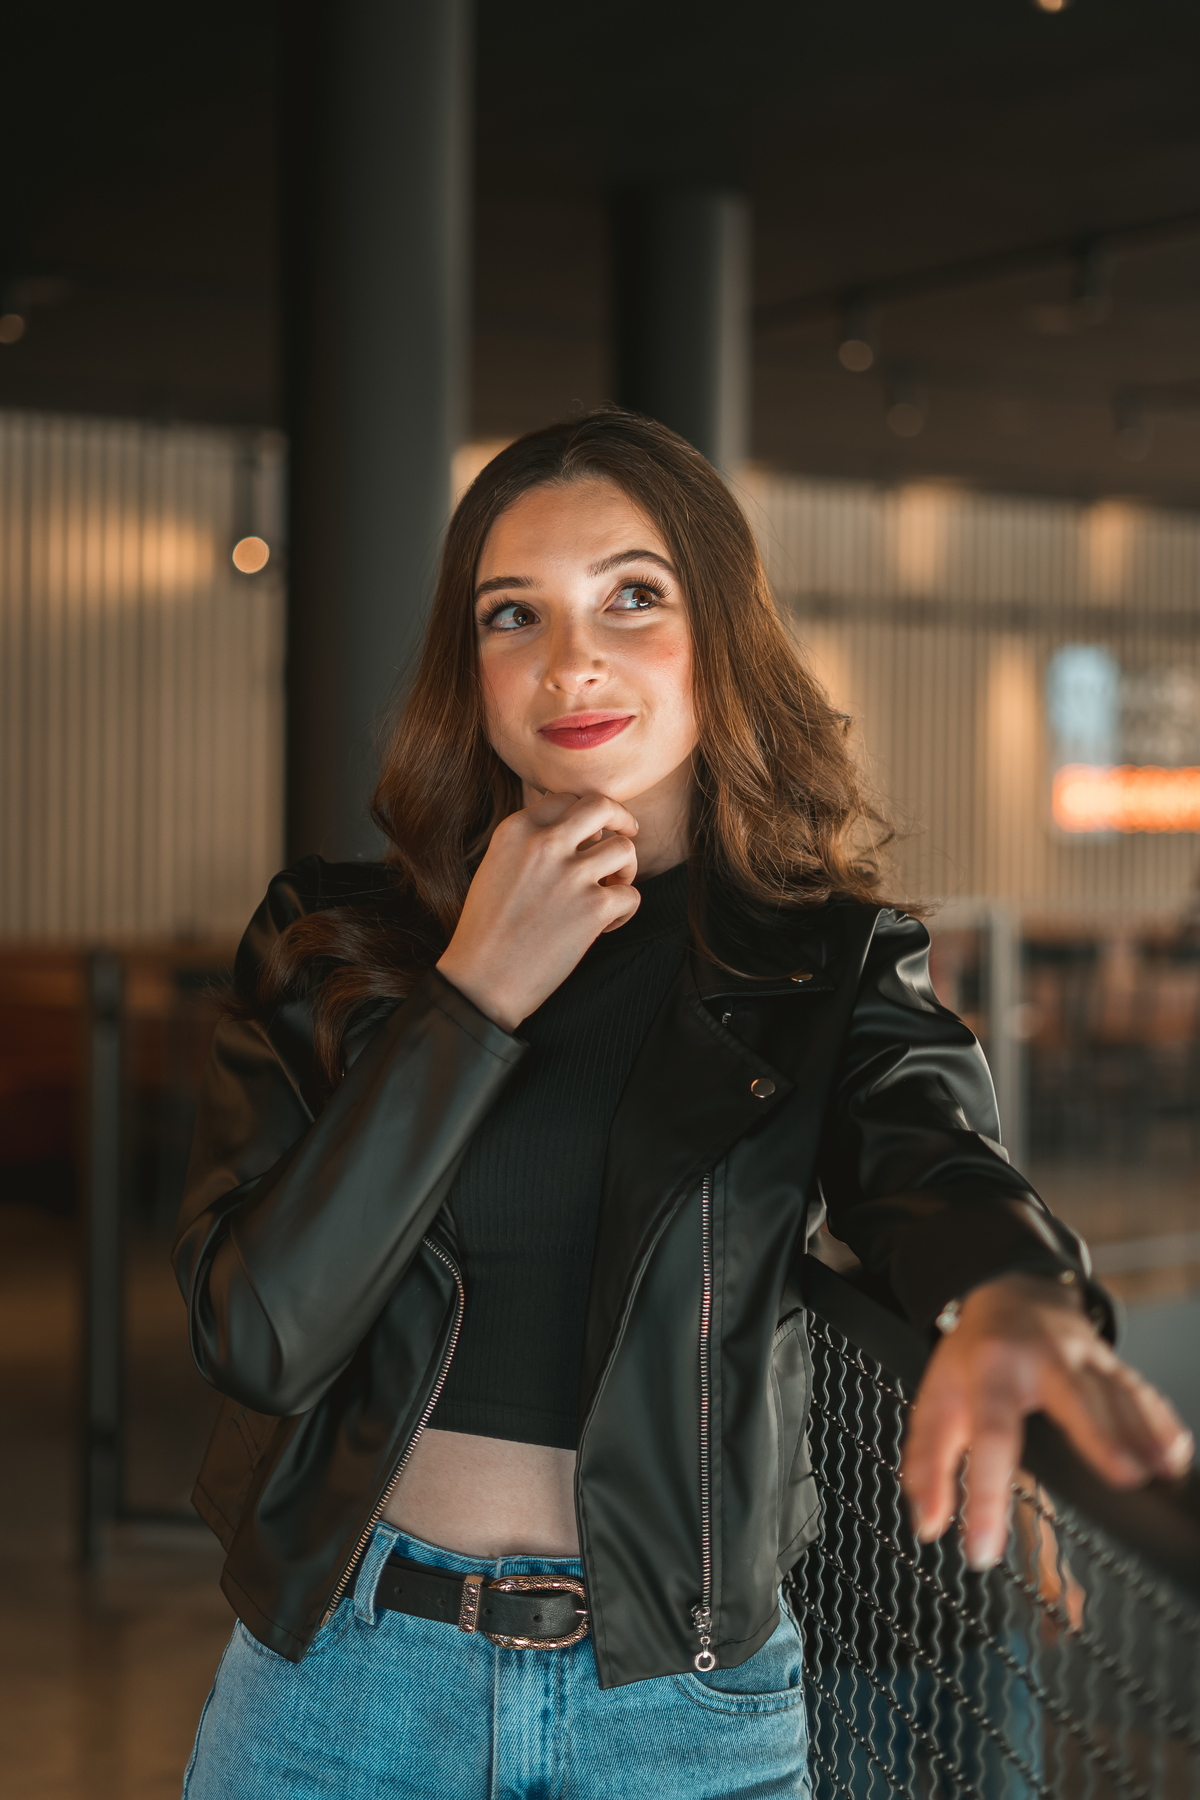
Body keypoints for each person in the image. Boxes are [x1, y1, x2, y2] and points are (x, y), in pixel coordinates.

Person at [174, 411, 1191, 1799]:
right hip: (343, 1685)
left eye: (632, 598)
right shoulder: (329, 941)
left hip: (679, 1716)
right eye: (512, 613)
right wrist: (470, 1001)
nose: (572, 660)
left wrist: (1012, 1298)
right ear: (466, 671)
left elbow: (936, 1163)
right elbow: (258, 1332)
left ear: (719, 631)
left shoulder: (822, 962)